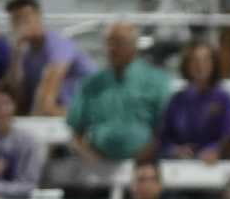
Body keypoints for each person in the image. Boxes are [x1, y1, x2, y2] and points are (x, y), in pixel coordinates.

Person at [65, 22, 170, 162]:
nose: (112, 48)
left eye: (119, 43)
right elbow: (75, 130)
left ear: (133, 47)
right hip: (97, 168)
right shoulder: (90, 84)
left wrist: (142, 159)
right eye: (109, 43)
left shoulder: (157, 80)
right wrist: (89, 155)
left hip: (145, 166)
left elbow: (165, 128)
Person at [5, 0, 94, 118]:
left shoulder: (58, 44)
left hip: (89, 111)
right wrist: (17, 53)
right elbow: (18, 99)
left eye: (25, 18)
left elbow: (45, 100)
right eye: (16, 20)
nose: (21, 25)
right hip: (64, 113)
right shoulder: (27, 56)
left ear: (38, 16)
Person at [158, 41, 230, 161]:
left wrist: (215, 150)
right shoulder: (177, 100)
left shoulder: (224, 99)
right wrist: (174, 150)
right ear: (187, 65)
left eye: (205, 60)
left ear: (213, 64)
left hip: (215, 168)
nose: (200, 65)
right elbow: (164, 139)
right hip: (181, 167)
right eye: (194, 61)